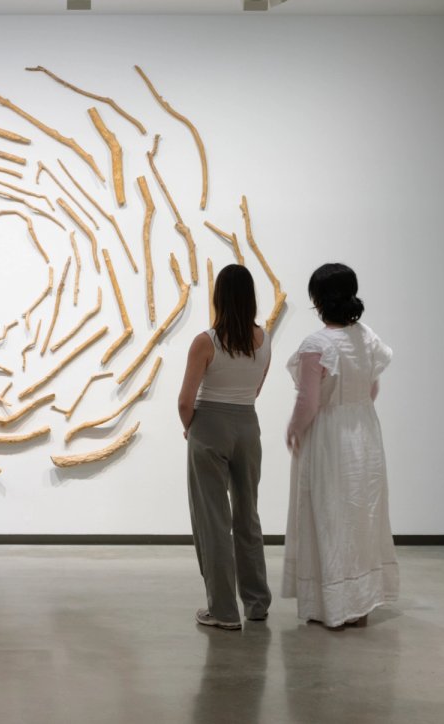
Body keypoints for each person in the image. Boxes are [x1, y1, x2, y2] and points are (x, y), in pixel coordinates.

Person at [281, 262, 398, 630]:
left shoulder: (316, 345)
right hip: (364, 436)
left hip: (329, 439)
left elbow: (309, 402)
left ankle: (331, 605)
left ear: (318, 299)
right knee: (362, 516)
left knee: (329, 516)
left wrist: (293, 429)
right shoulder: (367, 338)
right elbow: (372, 389)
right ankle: (360, 604)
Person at [177, 263, 272, 631]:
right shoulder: (263, 339)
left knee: (213, 520)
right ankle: (257, 603)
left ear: (218, 297)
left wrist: (191, 430)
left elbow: (186, 401)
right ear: (250, 299)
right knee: (247, 515)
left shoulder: (206, 341)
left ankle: (223, 610)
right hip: (248, 425)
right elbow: (256, 389)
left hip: (209, 427)